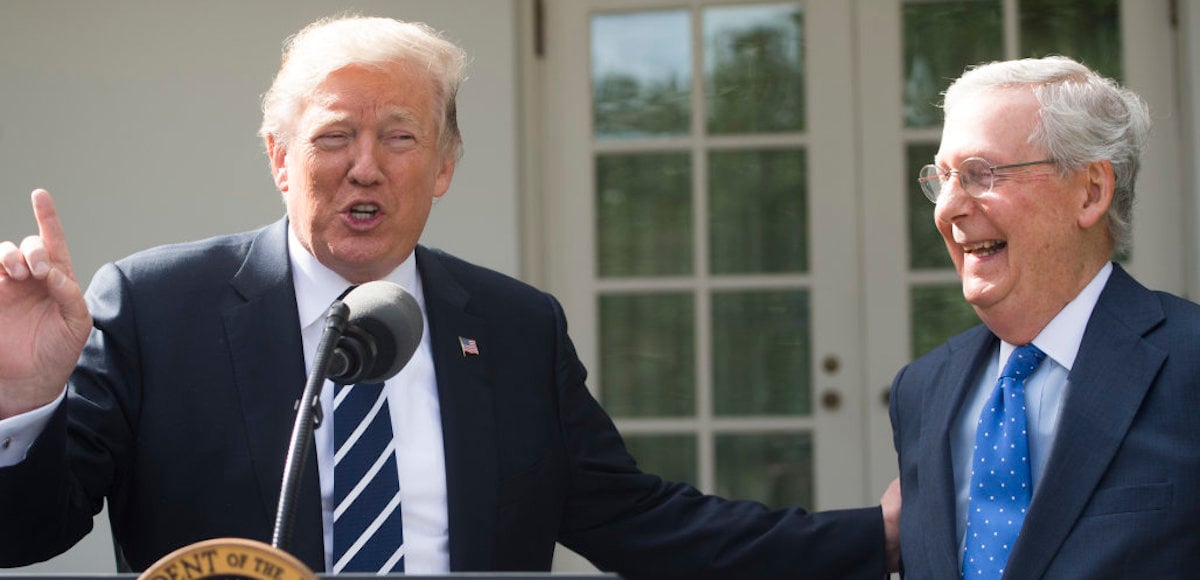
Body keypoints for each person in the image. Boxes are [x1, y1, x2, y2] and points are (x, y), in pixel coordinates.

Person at [0, 15, 899, 578]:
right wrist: (25, 401)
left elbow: (638, 523)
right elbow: (28, 534)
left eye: (400, 137)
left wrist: (877, 538)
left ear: (444, 166)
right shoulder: (158, 307)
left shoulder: (513, 327)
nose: (365, 165)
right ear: (278, 158)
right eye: (333, 136)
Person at [889, 54, 1200, 579]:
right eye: (942, 178)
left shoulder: (1189, 363)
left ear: (1090, 192)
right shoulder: (921, 389)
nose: (947, 208)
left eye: (979, 174)